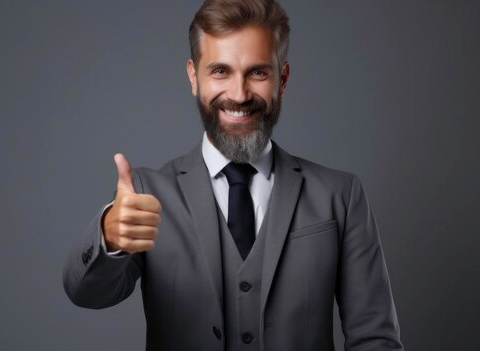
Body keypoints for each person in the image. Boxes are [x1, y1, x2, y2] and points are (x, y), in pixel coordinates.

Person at [63, 0, 404, 350]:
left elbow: (375, 338)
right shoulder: (147, 195)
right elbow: (86, 293)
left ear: (282, 79)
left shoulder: (340, 195)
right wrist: (109, 236)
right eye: (220, 72)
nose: (239, 95)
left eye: (257, 72)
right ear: (194, 77)